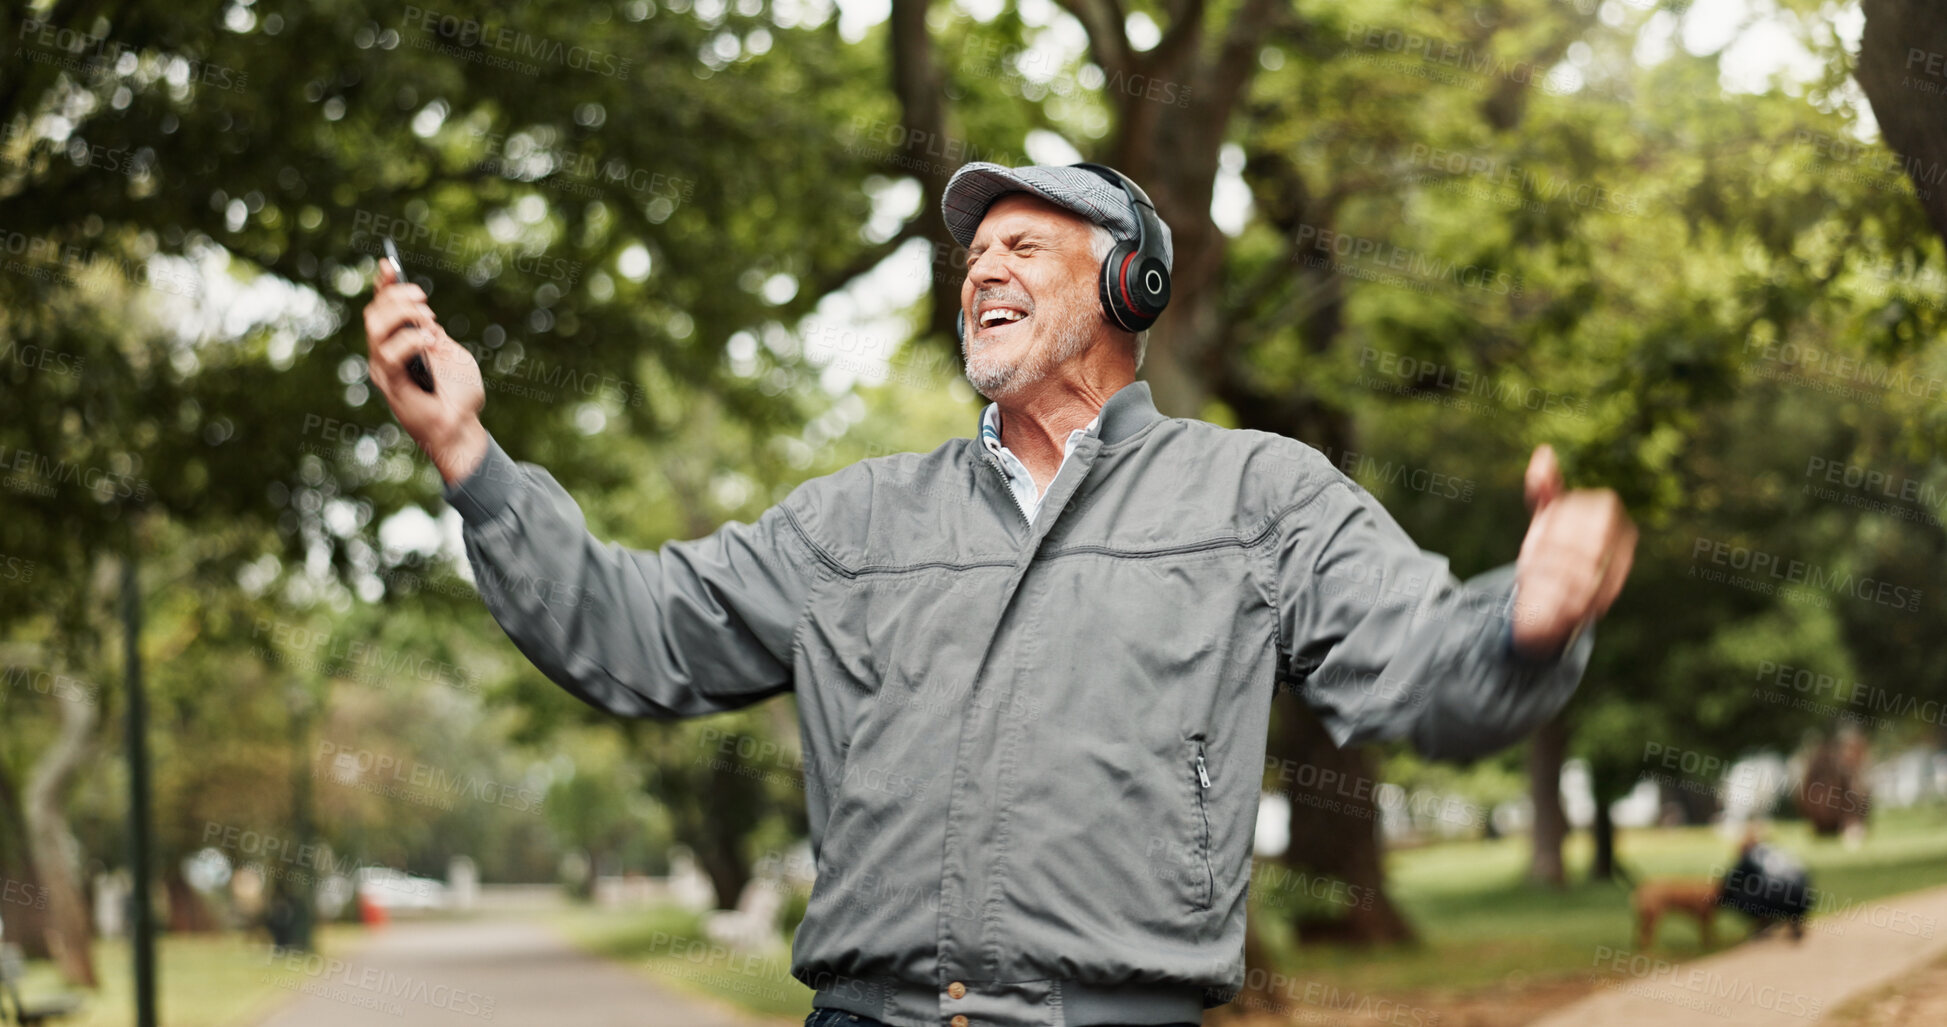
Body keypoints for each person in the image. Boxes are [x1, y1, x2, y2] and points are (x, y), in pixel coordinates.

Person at [362, 161, 1637, 1027]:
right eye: (973, 254)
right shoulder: (855, 519)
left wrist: (1524, 622)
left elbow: (1424, 663)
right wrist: (470, 459)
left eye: (1025, 245)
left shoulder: (1255, 495)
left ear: (1128, 287)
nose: (983, 269)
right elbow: (633, 633)